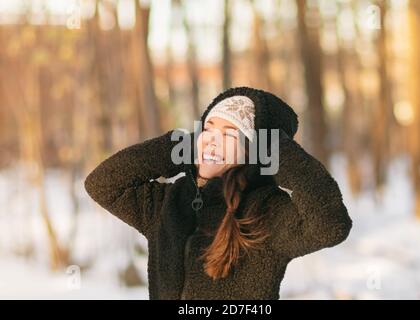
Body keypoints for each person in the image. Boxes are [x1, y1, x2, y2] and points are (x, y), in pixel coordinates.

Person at [84, 86, 352, 299]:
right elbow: (102, 184)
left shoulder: (266, 211)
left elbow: (330, 226)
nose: (212, 140)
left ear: (255, 150)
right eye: (208, 129)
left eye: (229, 135)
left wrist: (277, 149)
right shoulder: (167, 202)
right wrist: (178, 146)